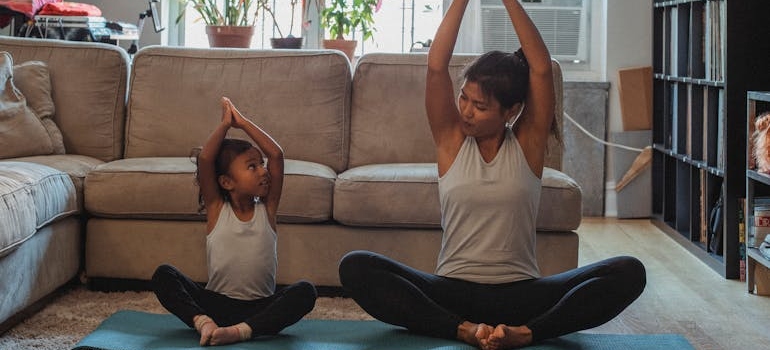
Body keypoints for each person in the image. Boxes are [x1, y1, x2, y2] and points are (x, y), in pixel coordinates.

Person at [338, 1, 646, 349]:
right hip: (452, 291)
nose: (466, 111)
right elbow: (436, 65)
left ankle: (526, 334)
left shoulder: (527, 144)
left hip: (522, 296)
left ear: (511, 111)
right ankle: (463, 330)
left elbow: (542, 69)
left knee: (629, 271)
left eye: (480, 106)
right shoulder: (451, 139)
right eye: (464, 98)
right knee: (355, 267)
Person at [151, 97, 317, 346]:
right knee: (163, 275)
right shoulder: (217, 209)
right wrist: (224, 126)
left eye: (261, 164)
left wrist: (243, 122)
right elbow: (206, 161)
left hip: (261, 308)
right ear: (227, 182)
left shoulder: (268, 209)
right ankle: (203, 323)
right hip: (217, 305)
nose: (263, 171)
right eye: (252, 166)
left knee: (305, 291)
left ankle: (240, 331)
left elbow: (277, 155)